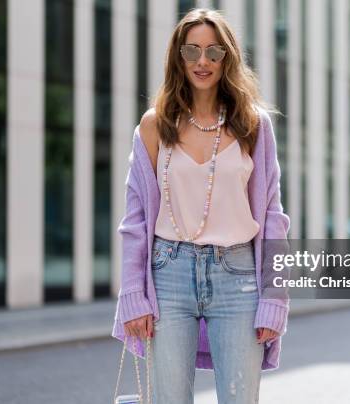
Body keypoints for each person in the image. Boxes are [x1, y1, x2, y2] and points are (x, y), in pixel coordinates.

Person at [112, 8, 291, 403]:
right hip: (168, 274)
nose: (202, 62)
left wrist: (274, 299)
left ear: (227, 58)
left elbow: (273, 218)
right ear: (178, 57)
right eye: (191, 52)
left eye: (213, 51)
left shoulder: (253, 125)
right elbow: (135, 220)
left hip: (238, 276)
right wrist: (133, 296)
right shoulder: (154, 126)